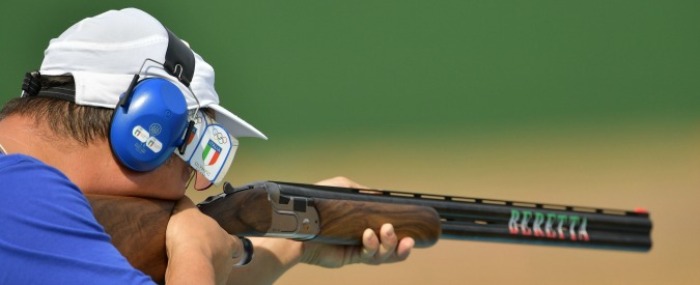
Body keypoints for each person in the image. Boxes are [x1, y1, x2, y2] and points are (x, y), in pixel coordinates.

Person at [0, 8, 414, 285]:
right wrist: (194, 250)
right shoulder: (27, 199)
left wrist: (295, 238)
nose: (199, 182)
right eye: (195, 145)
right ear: (145, 131)